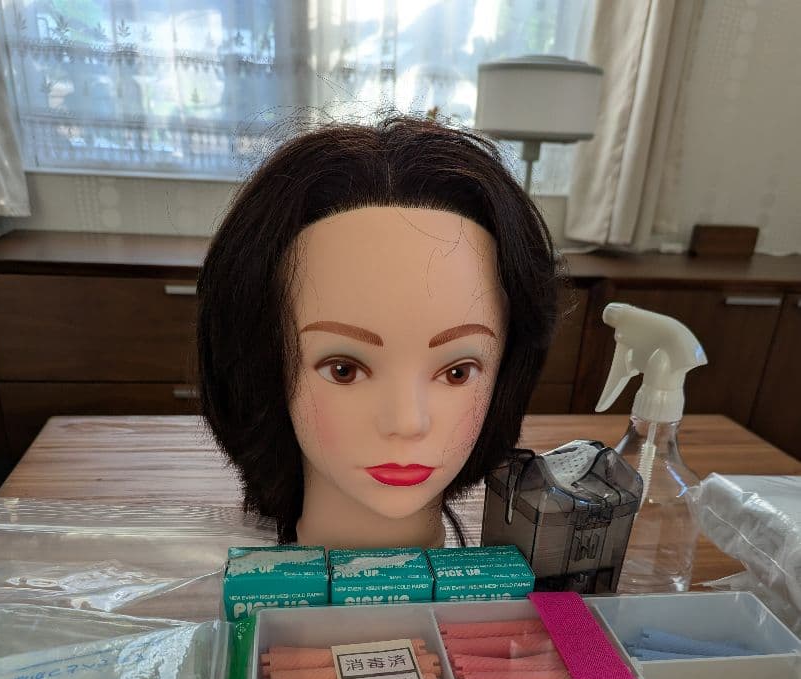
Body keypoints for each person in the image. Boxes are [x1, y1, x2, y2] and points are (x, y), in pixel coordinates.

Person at [196, 115, 559, 548]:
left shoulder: (533, 589)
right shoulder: (234, 589)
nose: (406, 422)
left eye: (457, 372)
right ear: (263, 361)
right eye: (344, 370)